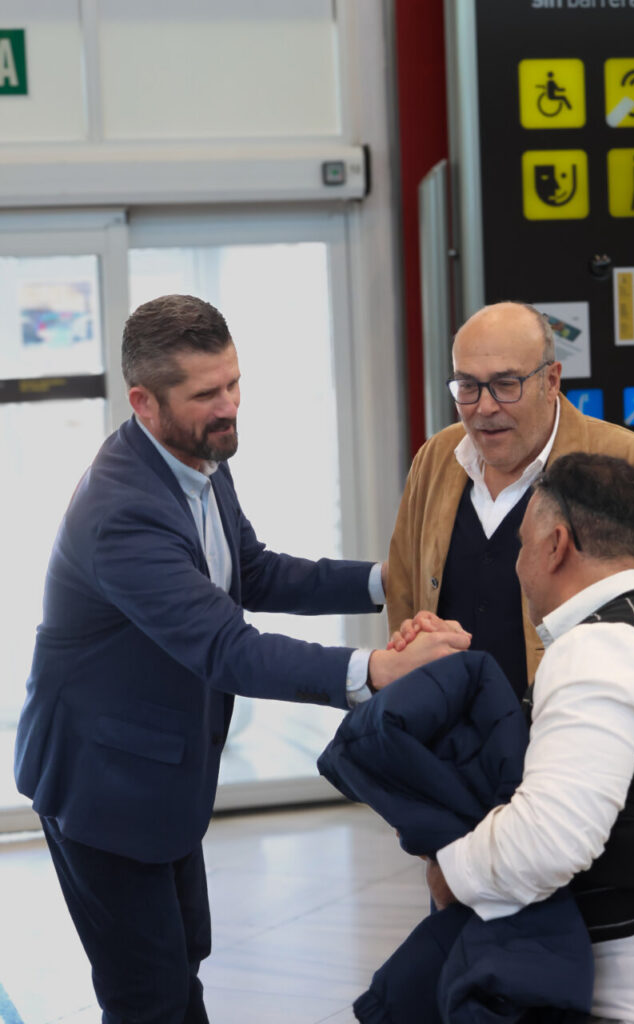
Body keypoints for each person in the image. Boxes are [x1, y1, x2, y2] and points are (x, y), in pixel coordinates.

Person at [13, 294, 470, 1024]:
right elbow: (228, 647)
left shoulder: (196, 454)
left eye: (233, 384)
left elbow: (250, 571)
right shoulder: (122, 512)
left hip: (160, 771)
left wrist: (389, 579)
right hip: (101, 784)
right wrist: (374, 671)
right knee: (148, 995)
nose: (228, 406)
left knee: (182, 960)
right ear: (143, 401)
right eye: (205, 394)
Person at [415, 453, 634, 1022]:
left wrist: (449, 875)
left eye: (520, 544)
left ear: (556, 544)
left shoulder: (601, 647)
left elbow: (550, 839)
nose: (517, 563)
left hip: (620, 981)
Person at [387, 300, 634, 699]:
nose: (485, 407)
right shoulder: (436, 459)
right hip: (449, 741)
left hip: (576, 732)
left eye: (506, 384)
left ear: (552, 381)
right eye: (468, 386)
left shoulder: (627, 463)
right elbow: (405, 592)